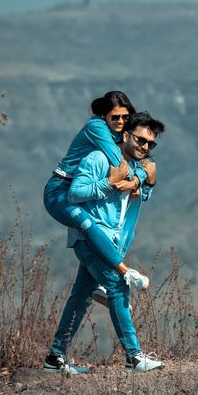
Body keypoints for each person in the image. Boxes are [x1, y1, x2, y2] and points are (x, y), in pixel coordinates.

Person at [43, 111, 165, 374]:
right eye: (140, 140)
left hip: (111, 242)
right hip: (90, 237)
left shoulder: (135, 167)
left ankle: (55, 358)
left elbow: (140, 195)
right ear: (124, 135)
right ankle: (133, 356)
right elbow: (75, 193)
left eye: (150, 144)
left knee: (81, 297)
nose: (144, 147)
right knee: (118, 285)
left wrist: (147, 181)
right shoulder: (97, 158)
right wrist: (110, 183)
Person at [43, 90, 147, 279]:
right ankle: (123, 271)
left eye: (126, 116)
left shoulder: (118, 133)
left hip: (82, 189)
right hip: (60, 189)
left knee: (81, 294)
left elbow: (136, 163)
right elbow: (119, 161)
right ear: (104, 115)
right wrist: (139, 178)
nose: (121, 121)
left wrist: (141, 176)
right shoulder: (96, 126)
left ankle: (99, 289)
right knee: (88, 225)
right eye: (115, 117)